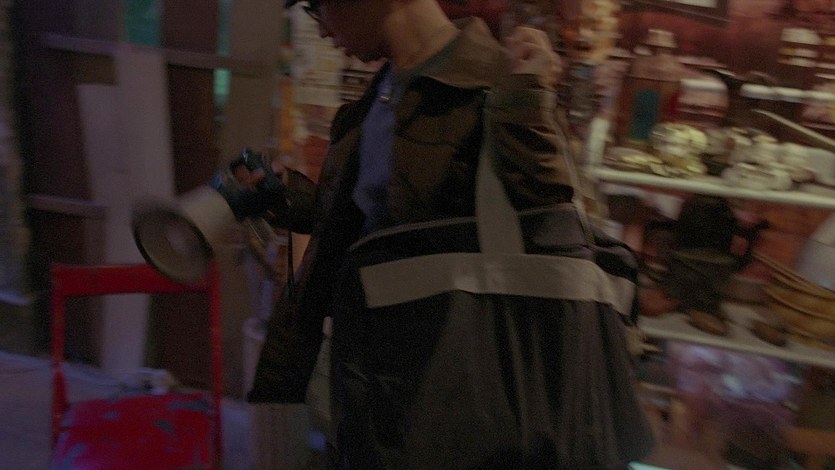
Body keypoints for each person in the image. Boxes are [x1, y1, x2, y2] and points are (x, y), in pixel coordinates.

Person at [243, 0, 655, 467]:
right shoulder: (382, 92)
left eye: (318, 6)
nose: (320, 27)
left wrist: (526, 102)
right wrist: (288, 199)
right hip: (383, 390)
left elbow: (558, 234)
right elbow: (383, 225)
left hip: (463, 403)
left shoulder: (499, 78)